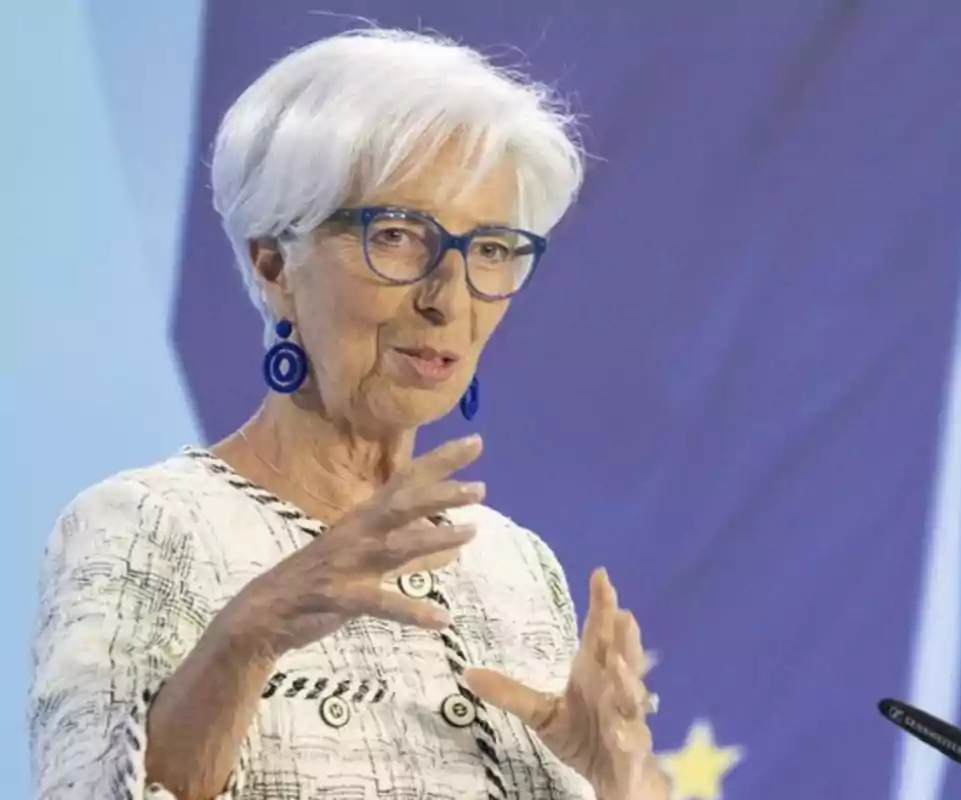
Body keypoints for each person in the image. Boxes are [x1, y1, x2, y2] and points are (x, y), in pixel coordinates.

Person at [28, 28, 668, 800]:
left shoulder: (518, 567)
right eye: (397, 238)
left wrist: (624, 780)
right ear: (274, 265)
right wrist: (249, 635)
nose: (449, 300)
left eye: (491, 248)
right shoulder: (145, 526)